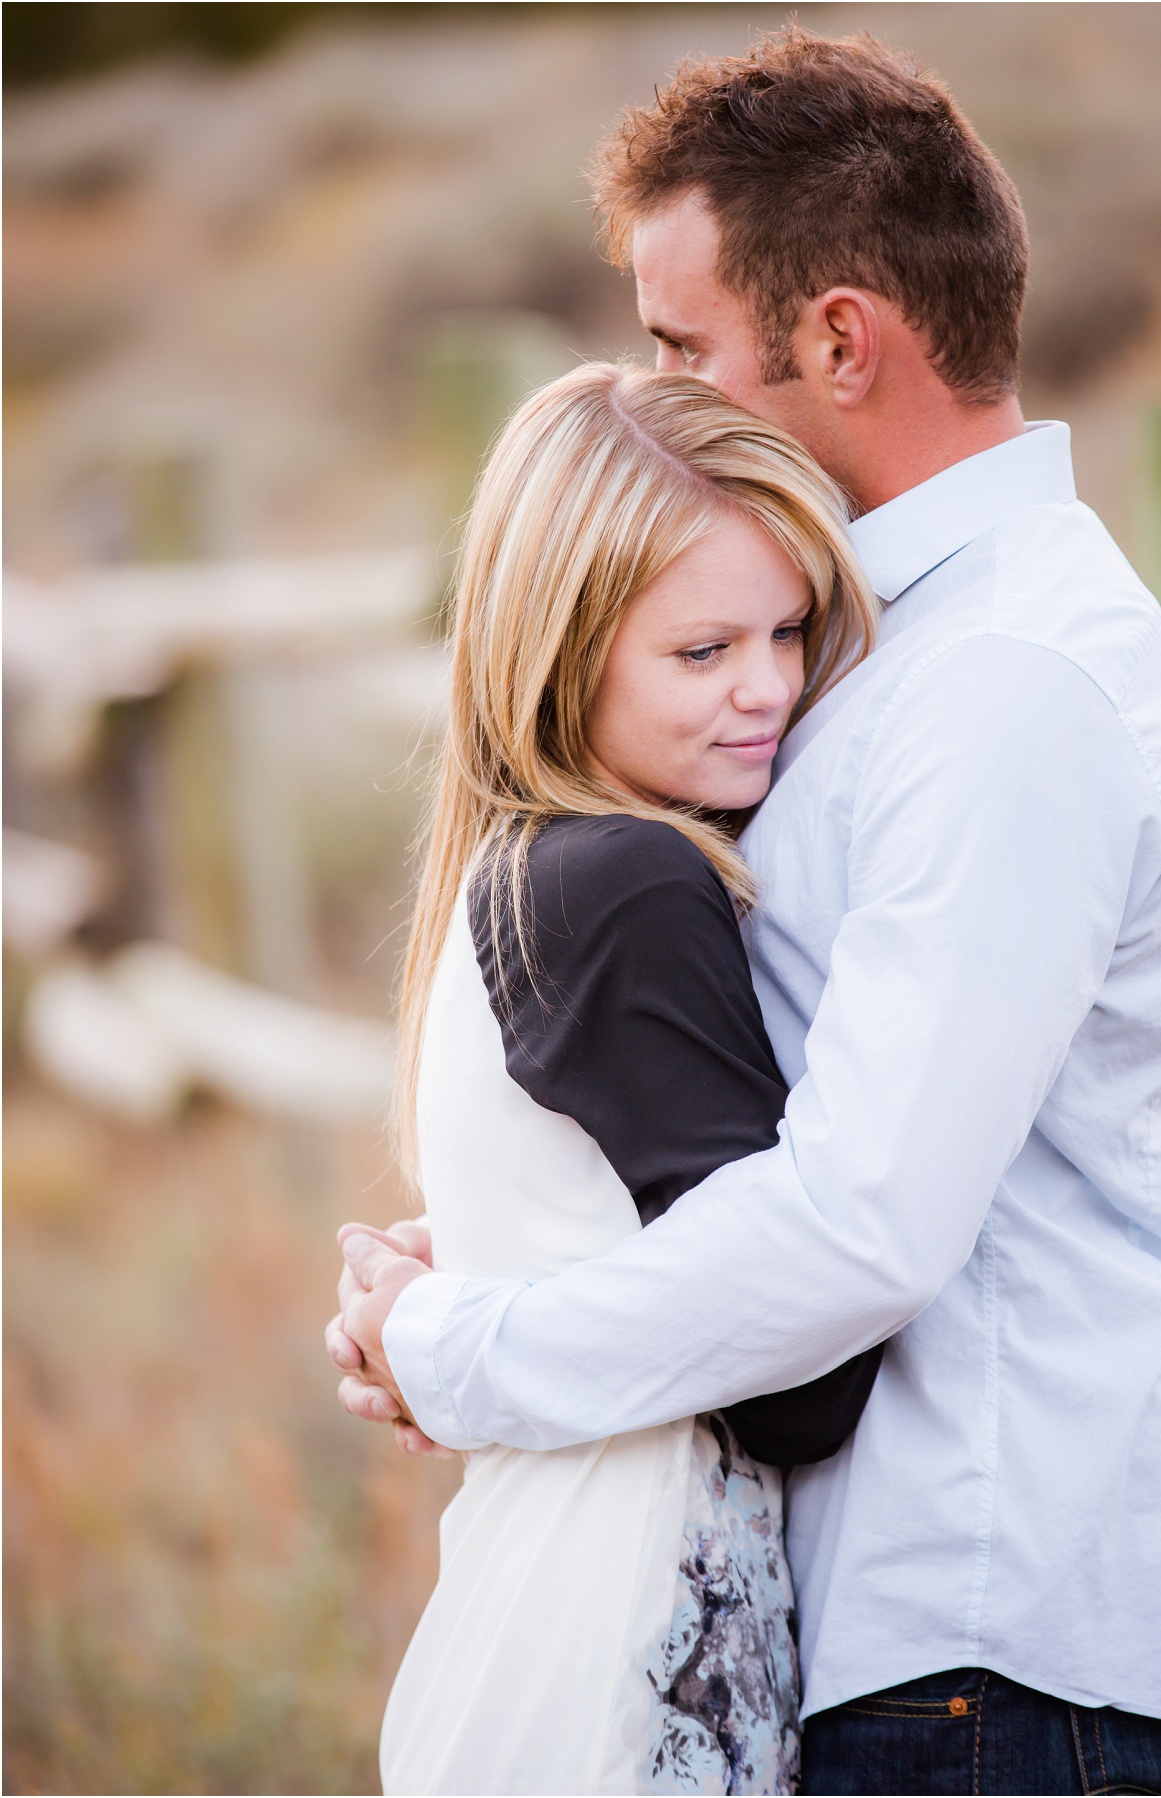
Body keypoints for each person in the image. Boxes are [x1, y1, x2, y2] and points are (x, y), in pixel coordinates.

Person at [333, 28, 1161, 1797]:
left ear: (838, 339)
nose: (654, 385)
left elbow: (864, 1221)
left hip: (987, 1638)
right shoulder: (892, 655)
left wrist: (474, 1349)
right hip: (909, 1636)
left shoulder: (1007, 686)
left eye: (679, 344)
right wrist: (529, 1246)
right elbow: (752, 1101)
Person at [340, 359, 881, 1795]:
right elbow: (796, 1390)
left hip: (534, 1617)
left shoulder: (514, 872)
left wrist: (459, 1315)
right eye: (702, 653)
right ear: (560, 651)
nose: (768, 688)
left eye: (790, 629)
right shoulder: (633, 882)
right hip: (634, 1652)